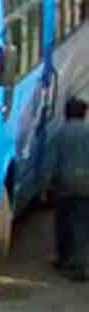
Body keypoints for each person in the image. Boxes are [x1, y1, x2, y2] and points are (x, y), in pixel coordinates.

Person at [51, 97, 89, 282]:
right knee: (81, 224)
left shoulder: (59, 133)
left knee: (63, 222)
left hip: (64, 183)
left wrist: (49, 184)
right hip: (85, 185)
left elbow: (52, 160)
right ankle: (79, 264)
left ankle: (63, 258)